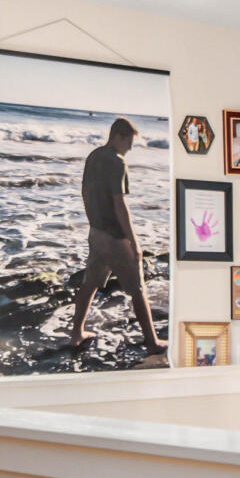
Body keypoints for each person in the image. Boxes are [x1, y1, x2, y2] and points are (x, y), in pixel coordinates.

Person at [67, 116, 163, 355]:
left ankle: (76, 334)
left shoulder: (94, 155)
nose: (130, 148)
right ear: (118, 136)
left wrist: (93, 223)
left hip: (96, 233)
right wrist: (134, 242)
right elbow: (120, 205)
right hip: (115, 238)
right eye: (129, 141)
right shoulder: (117, 162)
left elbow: (85, 192)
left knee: (90, 283)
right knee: (138, 291)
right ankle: (152, 342)